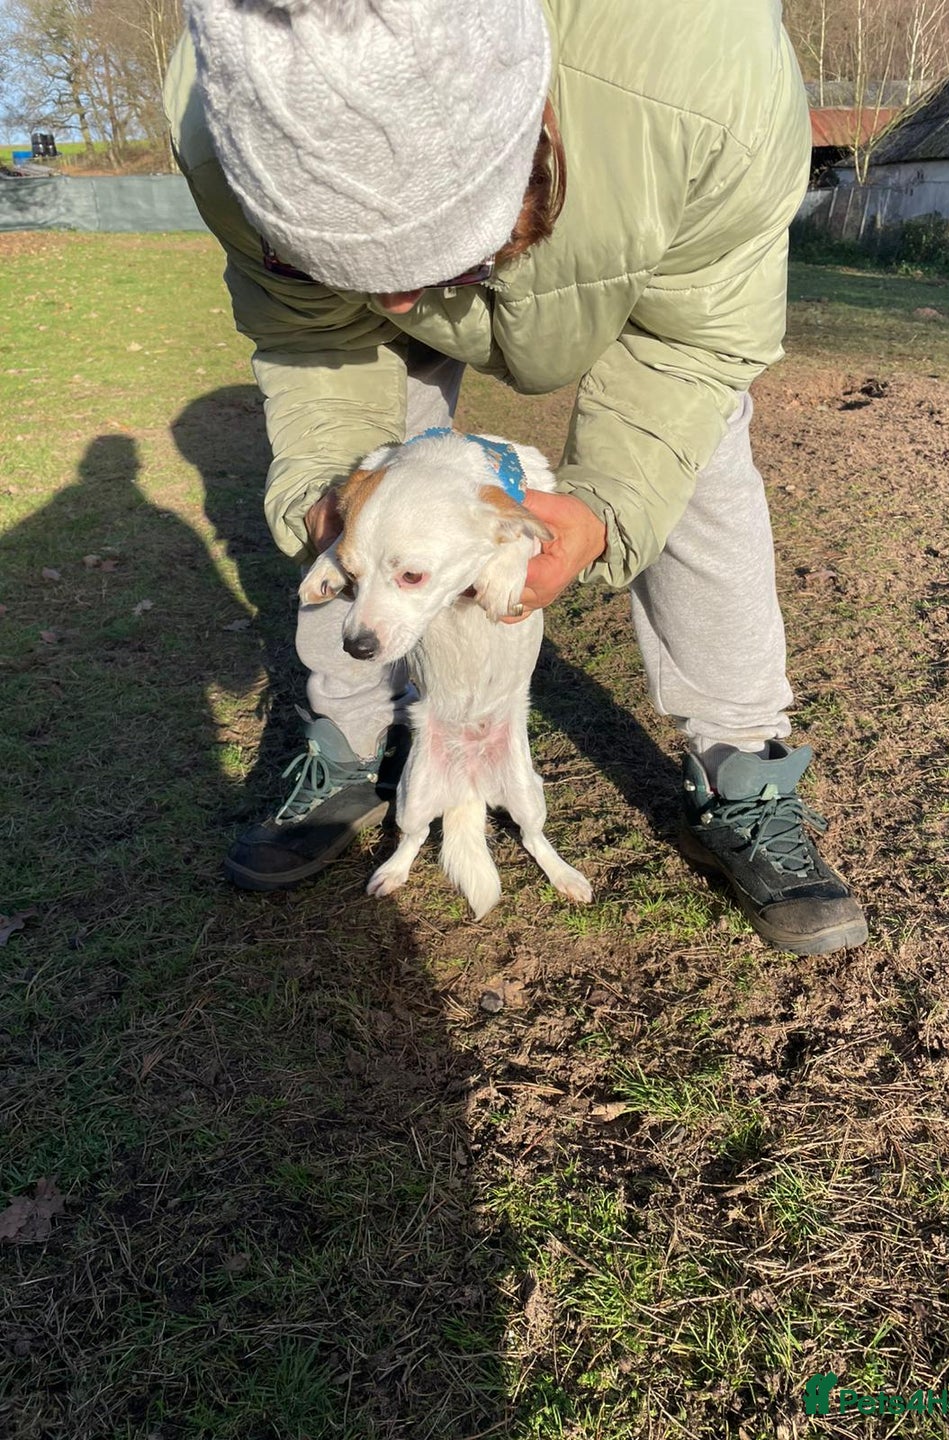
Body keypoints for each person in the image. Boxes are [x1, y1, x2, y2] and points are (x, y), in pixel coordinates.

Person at [164, 0, 868, 956]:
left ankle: (744, 765)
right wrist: (330, 492)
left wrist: (605, 513)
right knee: (368, 491)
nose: (405, 301)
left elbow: (696, 348)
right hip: (398, 295)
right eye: (350, 267)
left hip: (643, 251)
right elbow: (312, 342)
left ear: (530, 138)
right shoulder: (221, 125)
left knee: (702, 453)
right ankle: (346, 741)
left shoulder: (711, 89)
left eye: (425, 261)